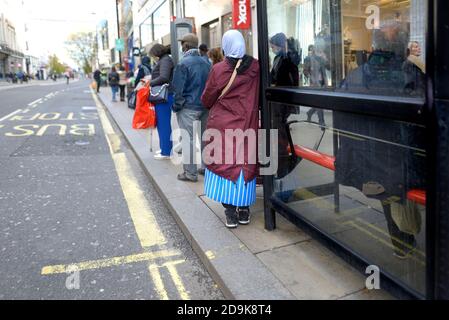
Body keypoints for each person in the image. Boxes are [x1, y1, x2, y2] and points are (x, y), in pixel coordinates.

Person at [201, 29, 260, 228]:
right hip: (247, 123)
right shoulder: (256, 67)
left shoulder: (219, 69)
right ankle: (244, 210)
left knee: (224, 162)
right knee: (246, 161)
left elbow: (207, 98)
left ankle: (230, 213)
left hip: (223, 126)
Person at [172, 33, 211, 181]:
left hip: (188, 107)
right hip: (205, 106)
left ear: (186, 45)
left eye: (182, 43)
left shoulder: (183, 63)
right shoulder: (206, 62)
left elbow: (178, 89)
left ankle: (190, 173)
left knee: (188, 139)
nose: (181, 46)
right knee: (205, 138)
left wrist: (176, 107)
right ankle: (206, 168)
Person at [148, 44, 175, 160]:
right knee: (162, 123)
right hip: (164, 95)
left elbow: (164, 77)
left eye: (153, 54)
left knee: (163, 124)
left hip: (164, 95)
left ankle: (166, 152)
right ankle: (165, 148)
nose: (153, 57)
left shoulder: (165, 60)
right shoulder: (165, 60)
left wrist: (151, 82)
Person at [303, 44, 326, 127]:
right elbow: (305, 71)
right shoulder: (308, 59)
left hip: (322, 83)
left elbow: (327, 68)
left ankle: (310, 112)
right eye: (311, 50)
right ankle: (321, 122)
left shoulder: (321, 58)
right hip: (314, 84)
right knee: (319, 102)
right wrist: (310, 77)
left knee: (320, 102)